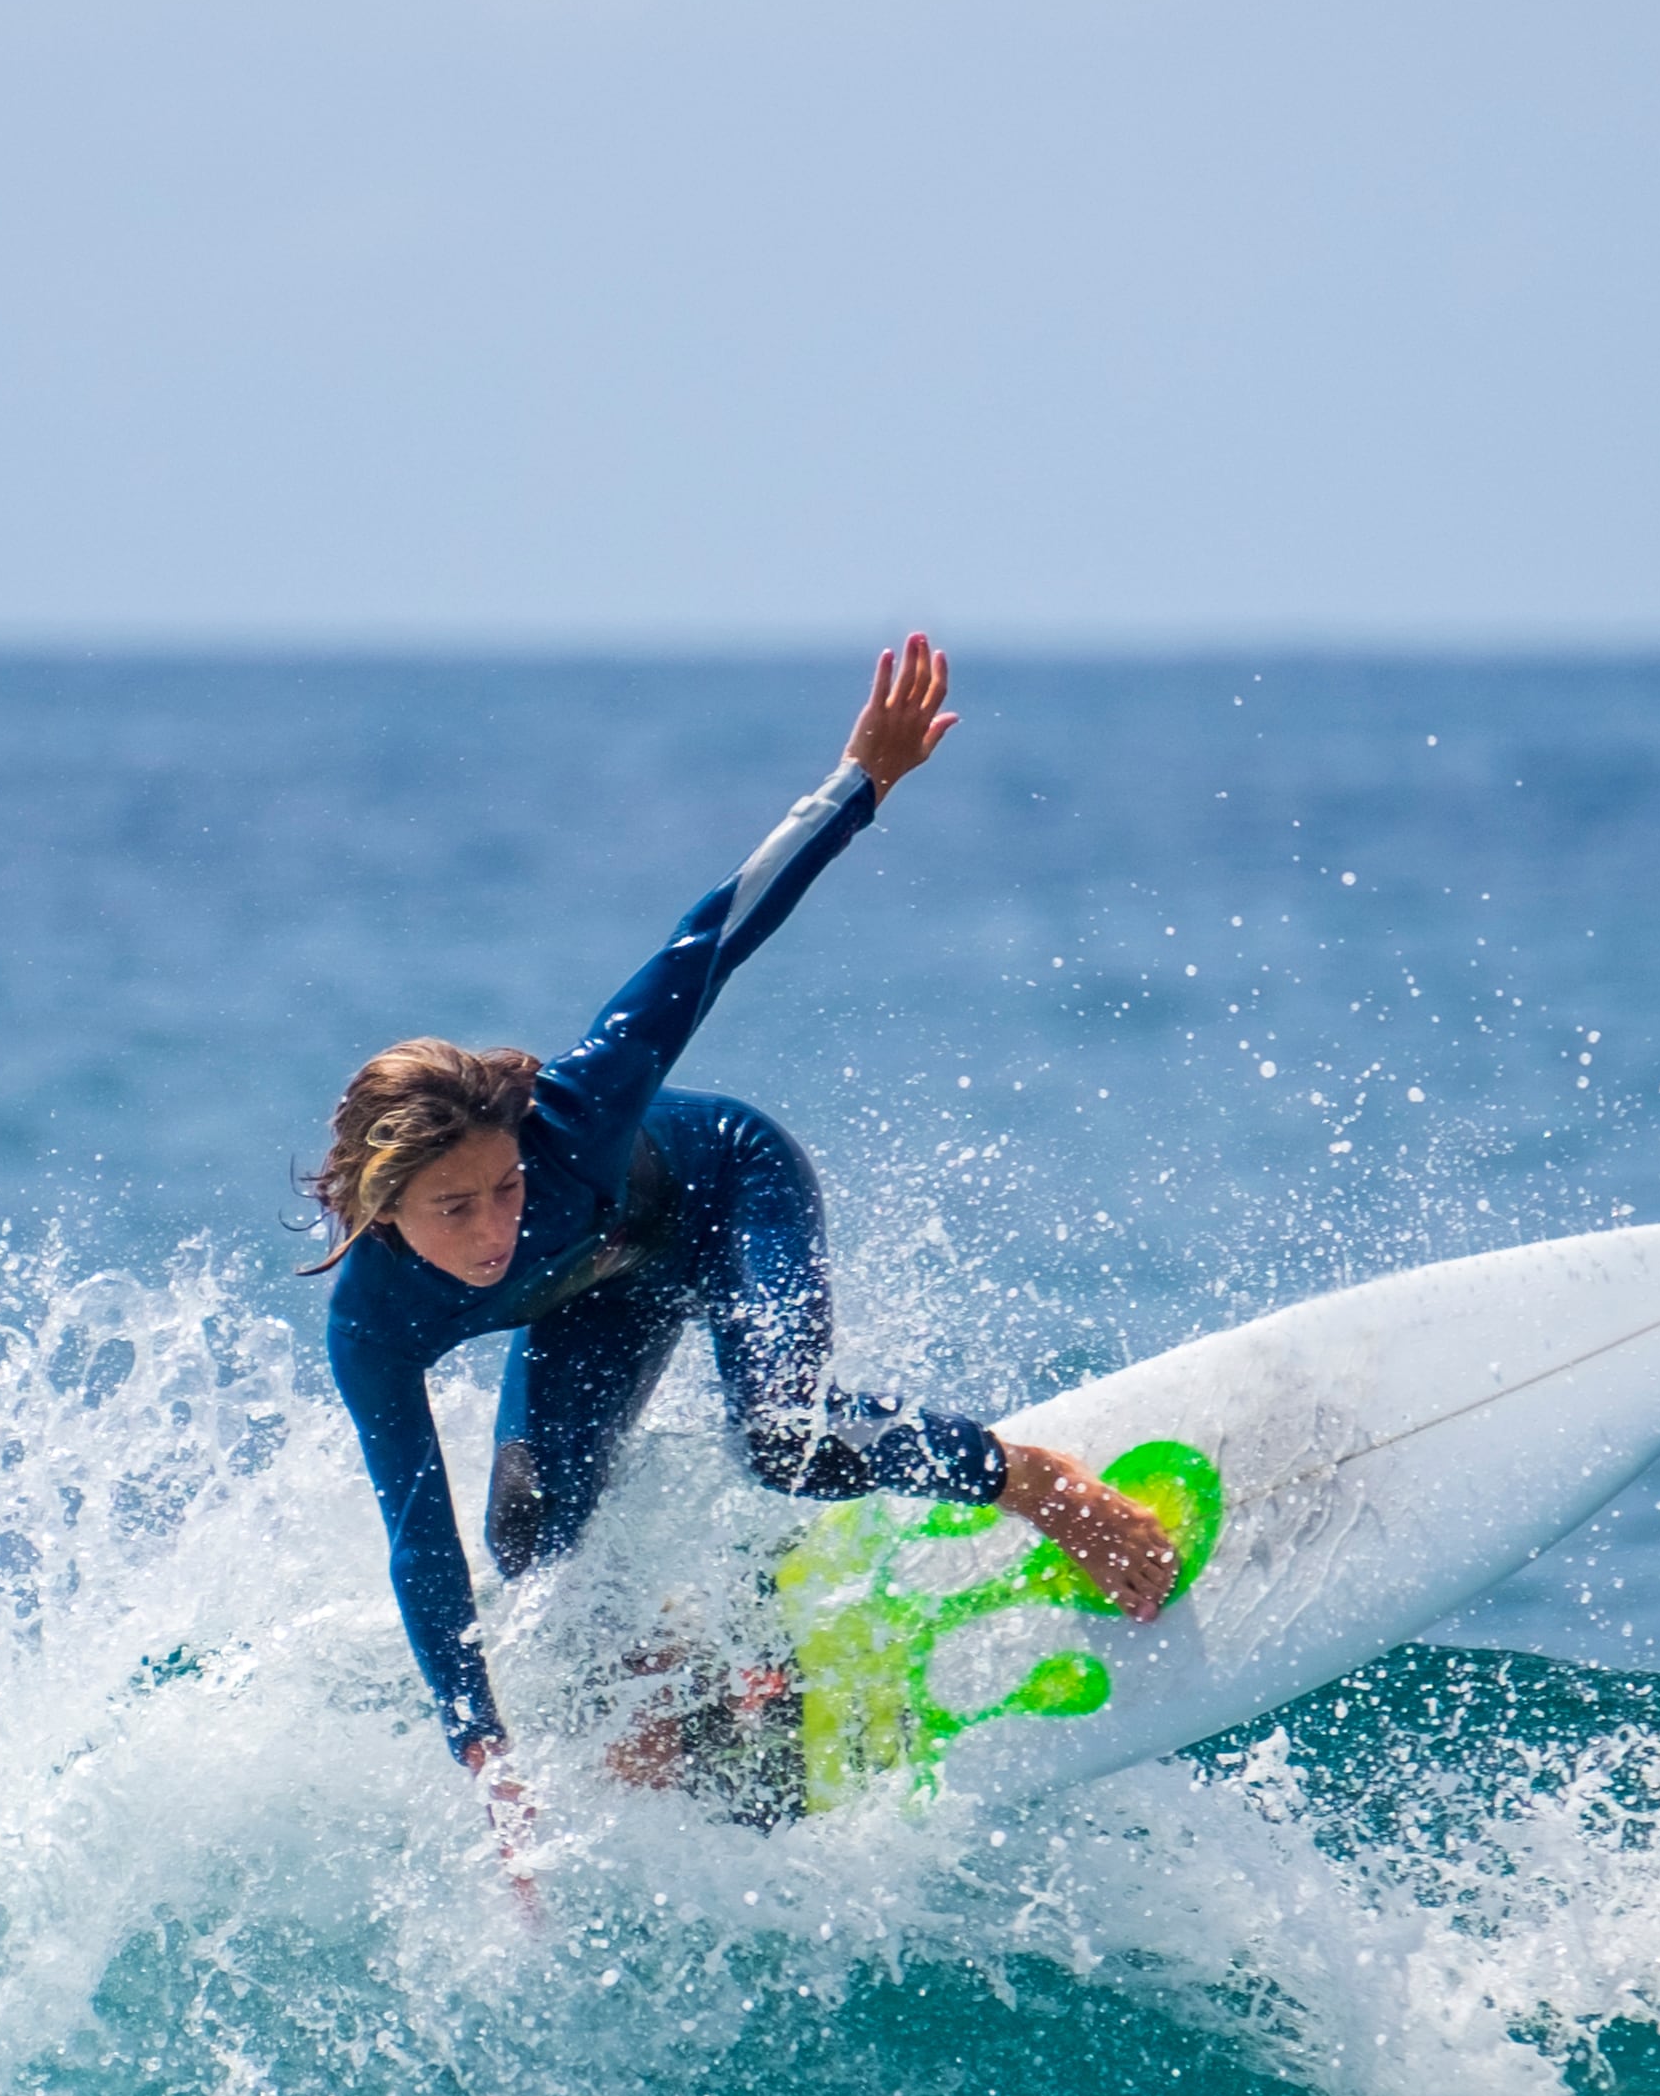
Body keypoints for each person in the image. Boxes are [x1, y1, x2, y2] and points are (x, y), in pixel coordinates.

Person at [302, 637, 1182, 1867]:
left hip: (722, 1190)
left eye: (504, 1188)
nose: (495, 1225)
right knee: (525, 1539)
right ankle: (699, 1668)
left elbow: (705, 942)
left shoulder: (574, 1111)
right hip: (597, 1289)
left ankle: (1036, 1485)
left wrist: (855, 788)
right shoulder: (372, 1323)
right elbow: (416, 1536)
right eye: (455, 1211)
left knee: (782, 1437)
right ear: (376, 1207)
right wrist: (481, 1752)